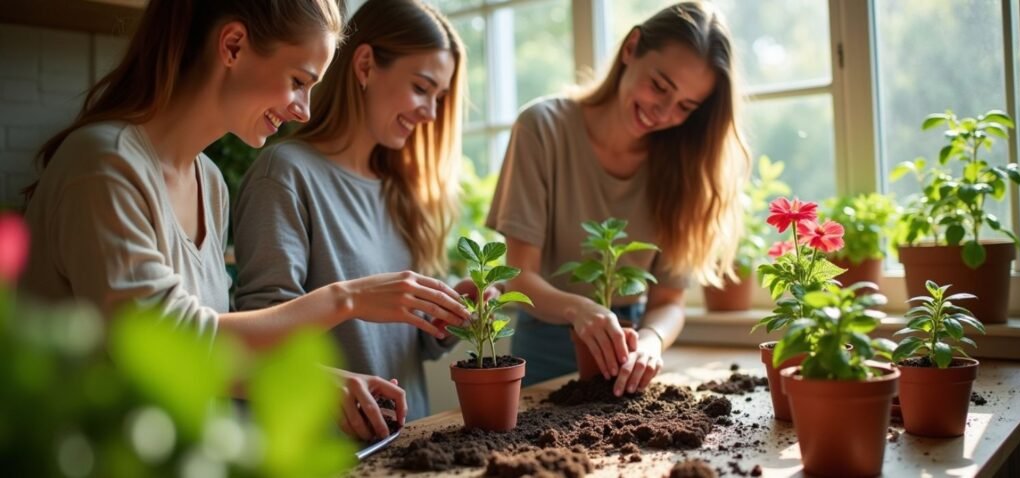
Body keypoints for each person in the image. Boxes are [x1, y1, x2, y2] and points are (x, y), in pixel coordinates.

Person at [20, 0, 470, 440]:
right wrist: (347, 299)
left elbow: (209, 355)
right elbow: (161, 346)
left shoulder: (210, 182)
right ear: (233, 46)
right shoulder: (103, 165)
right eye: (298, 81)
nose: (303, 110)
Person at [232, 0, 470, 436]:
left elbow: (415, 344)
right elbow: (262, 332)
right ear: (365, 66)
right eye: (421, 88)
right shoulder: (284, 174)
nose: (431, 113)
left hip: (411, 446)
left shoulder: (402, 191)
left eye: (439, 97)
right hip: (323, 452)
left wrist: (449, 315)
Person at [487, 2, 749, 395]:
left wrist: (650, 342)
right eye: (660, 86)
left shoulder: (684, 166)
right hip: (545, 342)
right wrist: (580, 310)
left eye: (685, 107)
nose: (663, 112)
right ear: (631, 48)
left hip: (628, 351)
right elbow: (519, 277)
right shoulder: (541, 128)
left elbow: (669, 301)